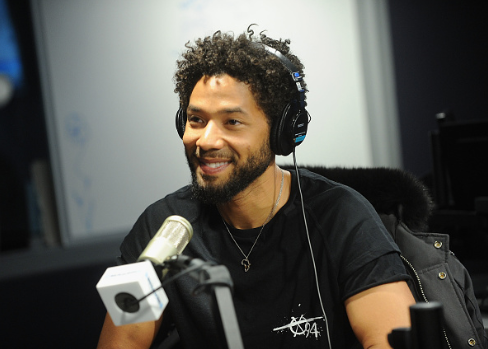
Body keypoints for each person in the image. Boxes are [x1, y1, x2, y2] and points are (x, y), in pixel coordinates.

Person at [97, 26, 416, 349]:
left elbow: (393, 340)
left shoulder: (341, 217)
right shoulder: (163, 229)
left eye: (232, 122)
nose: (206, 140)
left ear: (281, 132)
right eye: (196, 120)